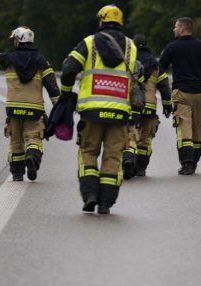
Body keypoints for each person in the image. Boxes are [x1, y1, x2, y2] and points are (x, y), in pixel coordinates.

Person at [60, 4, 138, 214]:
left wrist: (66, 92)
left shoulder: (89, 42)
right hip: (120, 113)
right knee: (113, 157)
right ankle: (106, 203)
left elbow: (68, 68)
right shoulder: (131, 46)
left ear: (101, 21)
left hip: (92, 112)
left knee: (88, 152)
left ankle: (90, 194)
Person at [0, 27, 60, 182]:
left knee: (15, 141)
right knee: (34, 138)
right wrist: (58, 108)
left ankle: (17, 173)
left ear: (18, 40)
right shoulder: (42, 61)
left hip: (13, 109)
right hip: (34, 110)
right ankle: (31, 156)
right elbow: (52, 87)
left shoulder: (8, 58)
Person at [158, 17, 201, 175]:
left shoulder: (172, 47)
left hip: (182, 93)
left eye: (176, 26)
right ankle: (195, 162)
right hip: (200, 95)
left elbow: (160, 68)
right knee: (197, 130)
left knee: (184, 129)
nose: (174, 29)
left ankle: (187, 164)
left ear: (183, 29)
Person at [132, 34, 172, 177]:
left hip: (132, 105)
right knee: (145, 139)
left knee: (130, 134)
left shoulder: (129, 61)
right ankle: (141, 169)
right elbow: (165, 87)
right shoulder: (156, 65)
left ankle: (128, 163)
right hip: (149, 106)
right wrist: (167, 106)